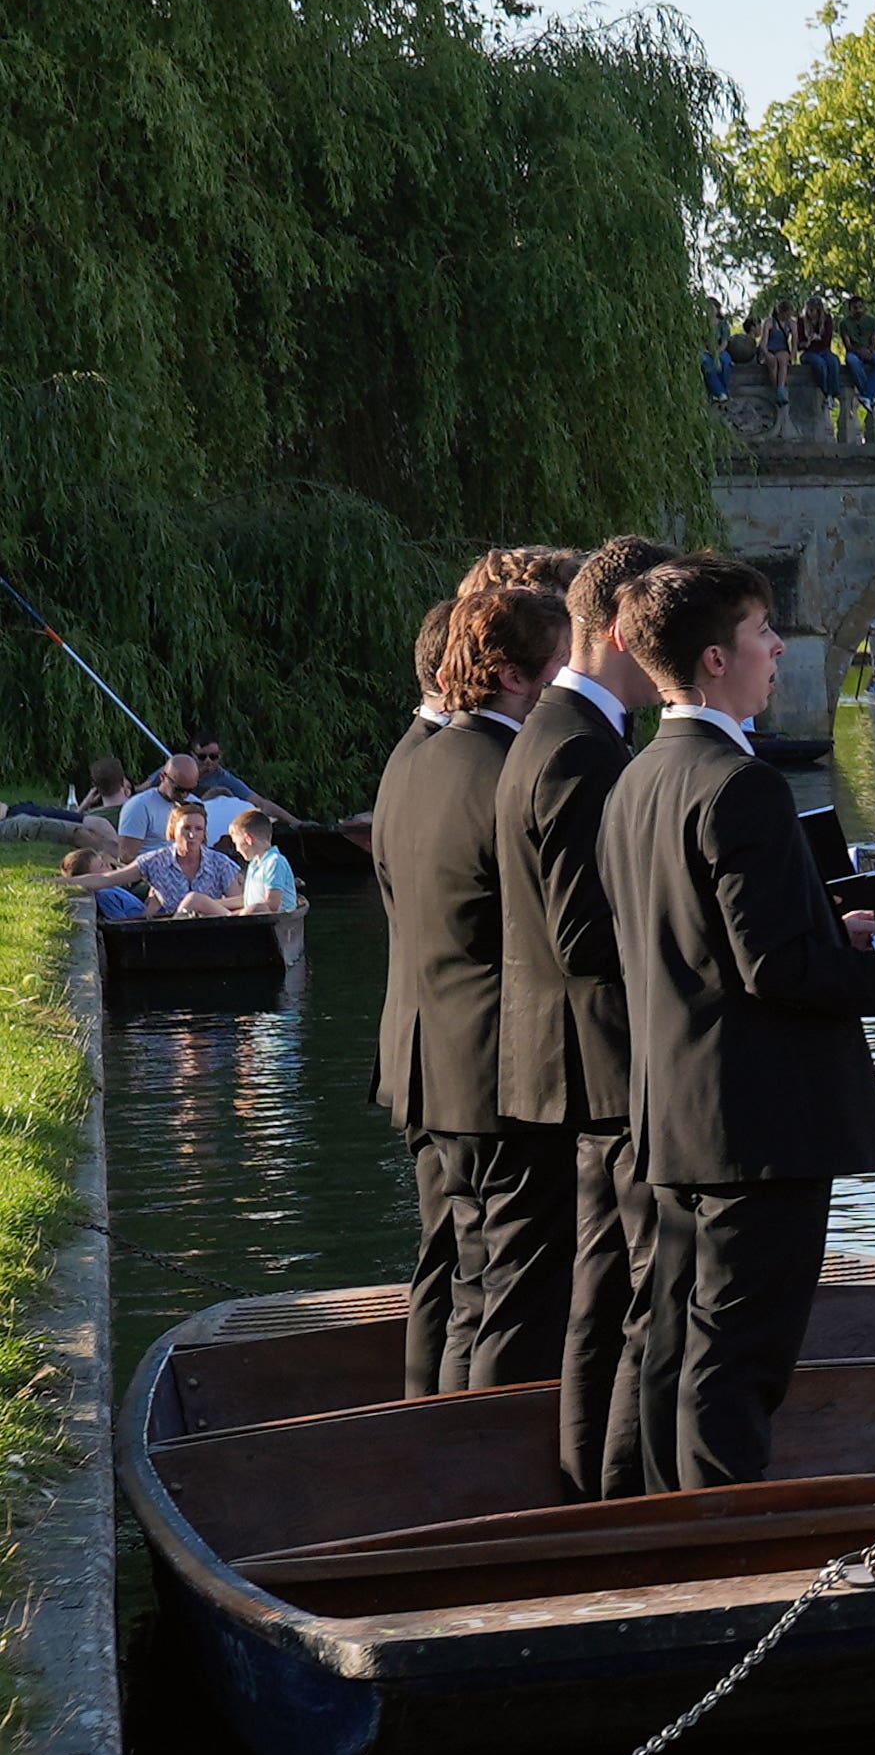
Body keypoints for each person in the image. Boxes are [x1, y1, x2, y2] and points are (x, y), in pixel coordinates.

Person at [599, 554, 875, 1491]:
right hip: (761, 1122)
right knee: (741, 1356)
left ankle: (652, 1533)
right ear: (715, 659)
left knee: (672, 1344)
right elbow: (773, 970)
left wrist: (825, 925)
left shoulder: (639, 776)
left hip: (677, 1111)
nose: (778, 647)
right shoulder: (745, 784)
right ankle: (727, 1553)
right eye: (763, 631)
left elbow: (701, 942)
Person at [500, 536, 676, 1493]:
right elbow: (582, 934)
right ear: (618, 625)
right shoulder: (577, 747)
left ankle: (593, 1487)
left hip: (582, 1059)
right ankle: (609, 1491)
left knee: (604, 1287)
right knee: (620, 1293)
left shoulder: (569, 731)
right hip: (603, 1062)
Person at [371, 579, 559, 1396]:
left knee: (452, 1274)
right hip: (491, 1066)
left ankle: (428, 1435)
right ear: (516, 676)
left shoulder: (416, 762)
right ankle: (479, 1469)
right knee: (501, 1290)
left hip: (424, 1052)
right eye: (560, 669)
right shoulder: (506, 774)